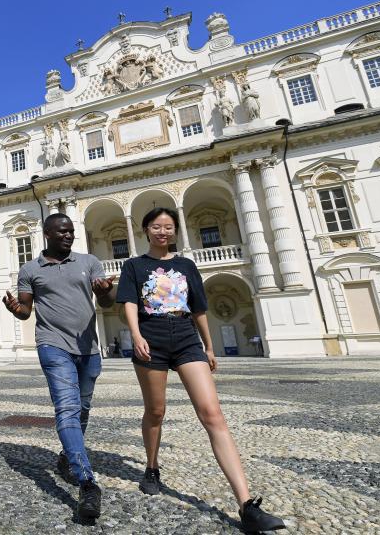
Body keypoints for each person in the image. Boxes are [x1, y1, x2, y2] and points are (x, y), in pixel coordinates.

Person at [115, 207, 285, 533]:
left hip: (185, 338)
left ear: (175, 231)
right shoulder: (135, 265)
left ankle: (247, 505)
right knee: (156, 411)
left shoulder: (186, 265)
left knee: (212, 414)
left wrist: (208, 345)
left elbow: (198, 308)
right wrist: (135, 336)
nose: (162, 231)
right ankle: (151, 467)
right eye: (156, 226)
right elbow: (130, 302)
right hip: (151, 338)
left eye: (168, 227)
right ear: (146, 230)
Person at [3, 213, 115, 519]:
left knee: (83, 407)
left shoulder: (89, 262)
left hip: (88, 347)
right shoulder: (30, 269)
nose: (68, 235)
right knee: (66, 408)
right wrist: (16, 308)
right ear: (47, 234)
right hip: (52, 345)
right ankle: (87, 482)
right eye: (62, 232)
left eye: (71, 231)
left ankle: (68, 455)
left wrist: (106, 293)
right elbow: (26, 311)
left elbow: (105, 303)